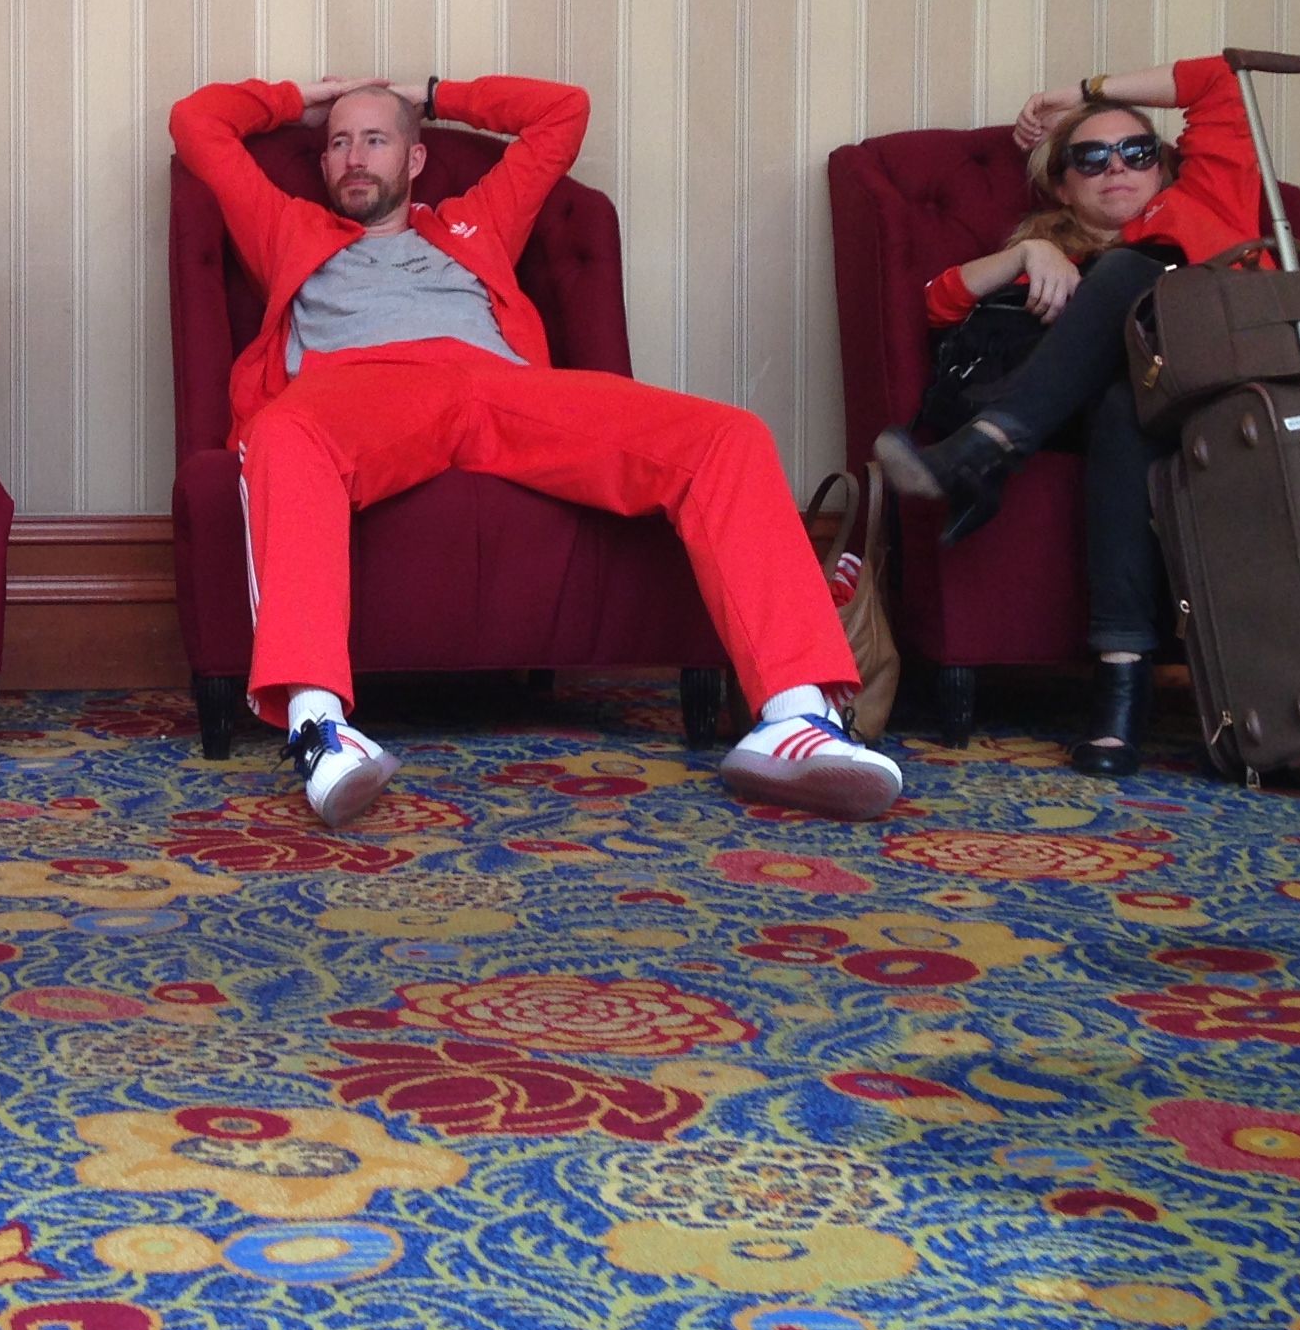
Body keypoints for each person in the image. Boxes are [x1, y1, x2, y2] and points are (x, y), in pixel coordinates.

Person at [169, 73, 901, 827]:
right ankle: (321, 729)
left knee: (726, 435)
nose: (353, 157)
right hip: (362, 392)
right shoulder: (288, 227)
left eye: (376, 139)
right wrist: (305, 100)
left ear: (416, 159)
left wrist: (432, 92)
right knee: (282, 434)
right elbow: (195, 122)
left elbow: (564, 112)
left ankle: (796, 718)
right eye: (337, 145)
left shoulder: (475, 223)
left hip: (503, 392)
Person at [874, 56, 1268, 776]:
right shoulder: (1055, 257)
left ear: (1166, 166)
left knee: (1127, 273)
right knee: (1121, 408)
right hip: (1127, 422)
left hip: (1232, 404)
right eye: (1090, 157)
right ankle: (1120, 700)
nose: (1116, 167)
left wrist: (1079, 95)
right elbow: (935, 301)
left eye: (1137, 152)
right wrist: (1029, 250)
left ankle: (987, 447)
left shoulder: (1213, 203)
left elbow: (1217, 80)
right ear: (1063, 185)